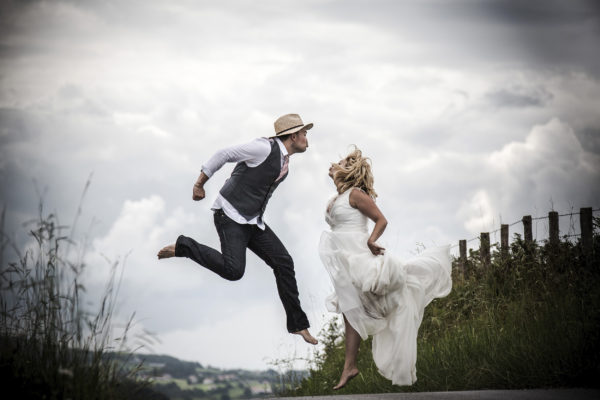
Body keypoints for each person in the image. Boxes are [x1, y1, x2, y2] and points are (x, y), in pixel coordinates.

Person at [157, 113, 318, 345]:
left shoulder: (285, 163)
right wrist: (199, 183)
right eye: (304, 133)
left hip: (252, 221)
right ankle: (184, 246)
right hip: (229, 215)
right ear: (293, 135)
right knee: (234, 271)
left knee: (284, 262)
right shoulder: (264, 148)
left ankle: (298, 324)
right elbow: (225, 154)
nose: (307, 138)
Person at [320, 146, 452, 389]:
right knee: (350, 309)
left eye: (338, 162)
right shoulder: (337, 198)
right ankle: (350, 365)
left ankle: (352, 363)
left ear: (347, 171)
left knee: (372, 303)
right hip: (345, 261)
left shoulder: (356, 194)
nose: (332, 164)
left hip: (358, 257)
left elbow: (382, 219)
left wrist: (371, 240)